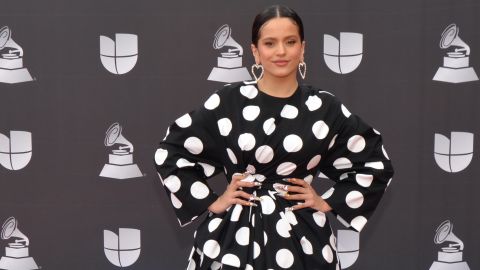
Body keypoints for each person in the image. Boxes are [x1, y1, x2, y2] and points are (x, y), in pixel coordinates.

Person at [155, 5, 394, 270]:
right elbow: (171, 152)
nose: (281, 51)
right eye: (270, 43)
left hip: (304, 239)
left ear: (302, 48)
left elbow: (375, 163)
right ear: (255, 51)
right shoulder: (228, 102)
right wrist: (213, 201)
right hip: (232, 238)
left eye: (290, 42)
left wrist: (326, 201)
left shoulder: (324, 108)